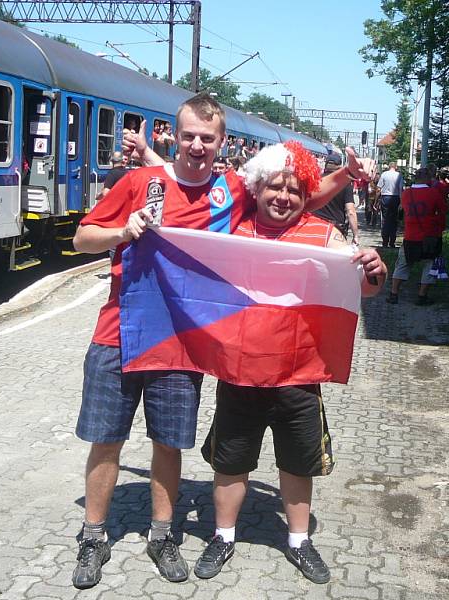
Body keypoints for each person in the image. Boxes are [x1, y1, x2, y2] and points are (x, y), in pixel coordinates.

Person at [70, 93, 377, 590]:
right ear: (176, 134)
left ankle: (163, 535)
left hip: (185, 341)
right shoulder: (136, 182)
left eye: (207, 138)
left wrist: (347, 176)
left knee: (168, 444)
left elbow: (292, 194)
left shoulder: (232, 190)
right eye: (188, 135)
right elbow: (83, 237)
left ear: (220, 142)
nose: (197, 145)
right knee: (107, 442)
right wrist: (122, 231)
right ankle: (93, 534)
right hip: (119, 332)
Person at [191, 142, 386, 584]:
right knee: (231, 460)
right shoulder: (231, 232)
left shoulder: (323, 235)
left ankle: (299, 541)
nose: (284, 197)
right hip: (240, 372)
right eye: (275, 187)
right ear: (257, 190)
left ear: (307, 196)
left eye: (295, 190)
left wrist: (375, 267)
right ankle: (222, 536)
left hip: (299, 376)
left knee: (298, 463)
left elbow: (367, 289)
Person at [385, 167, 447, 306]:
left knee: (402, 264)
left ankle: (394, 294)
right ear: (428, 178)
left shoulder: (407, 193)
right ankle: (422, 296)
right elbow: (443, 211)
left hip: (410, 236)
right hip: (430, 237)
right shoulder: (434, 193)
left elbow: (402, 211)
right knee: (429, 265)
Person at [311, 153, 359, 244]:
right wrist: (355, 235)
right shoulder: (344, 183)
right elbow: (350, 211)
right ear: (339, 166)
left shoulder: (315, 180)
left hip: (314, 226)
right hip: (334, 230)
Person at [376, 162, 403, 248]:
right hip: (395, 198)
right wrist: (401, 202)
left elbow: (379, 188)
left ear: (389, 167)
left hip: (385, 198)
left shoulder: (384, 174)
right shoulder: (399, 175)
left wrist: (376, 201)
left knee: (385, 219)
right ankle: (392, 242)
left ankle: (385, 241)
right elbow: (400, 189)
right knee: (394, 220)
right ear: (396, 167)